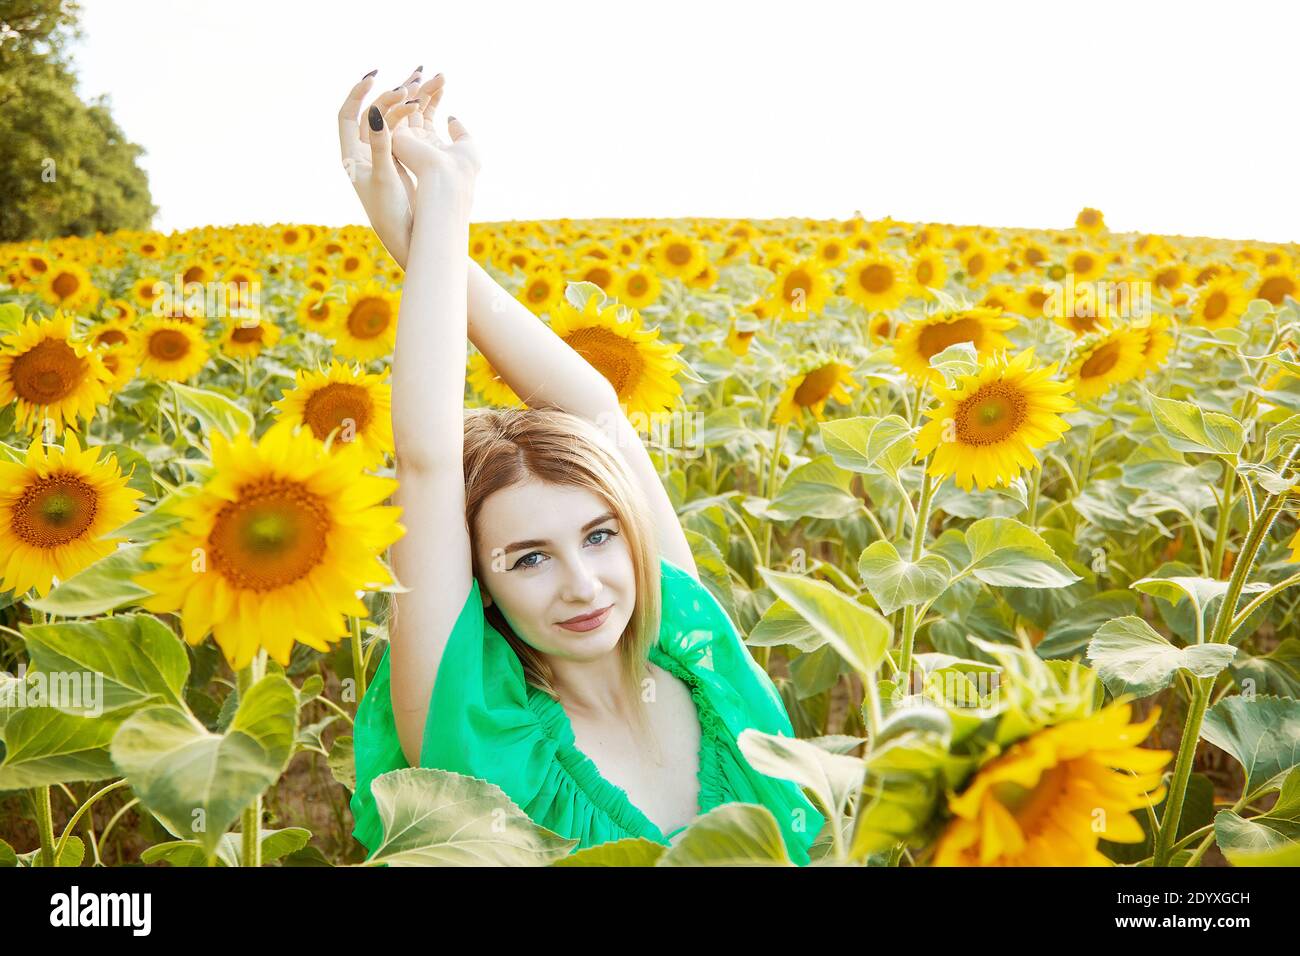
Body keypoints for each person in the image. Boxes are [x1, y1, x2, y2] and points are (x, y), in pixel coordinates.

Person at [338, 66, 825, 864]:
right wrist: (448, 203)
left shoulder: (691, 647)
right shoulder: (477, 729)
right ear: (479, 586)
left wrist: (419, 234)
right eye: (528, 558)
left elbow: (595, 403)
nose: (584, 584)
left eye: (599, 536)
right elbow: (425, 459)